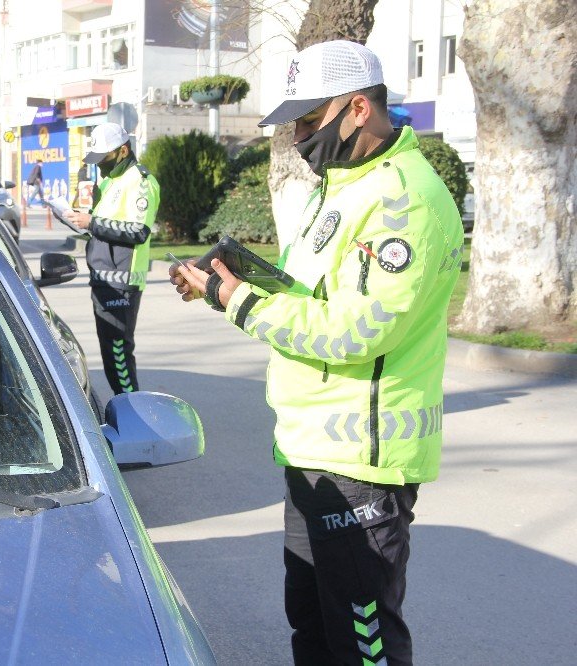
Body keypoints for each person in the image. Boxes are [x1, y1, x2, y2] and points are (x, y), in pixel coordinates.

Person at [169, 40, 463, 665]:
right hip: (311, 447)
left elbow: (355, 332)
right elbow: (307, 294)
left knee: (362, 643)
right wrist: (227, 281)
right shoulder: (338, 187)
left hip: (363, 460)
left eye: (309, 121)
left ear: (359, 108)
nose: (299, 137)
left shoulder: (407, 201)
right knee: (314, 628)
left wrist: (239, 299)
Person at [63, 122, 160, 395]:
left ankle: (134, 413)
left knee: (119, 357)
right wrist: (82, 219)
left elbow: (138, 231)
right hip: (103, 278)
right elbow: (104, 225)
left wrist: (92, 222)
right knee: (110, 356)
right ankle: (128, 409)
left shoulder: (141, 182)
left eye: (103, 158)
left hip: (122, 281)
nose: (99, 165)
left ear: (123, 151)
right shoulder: (110, 181)